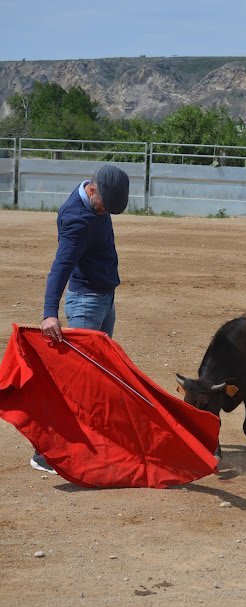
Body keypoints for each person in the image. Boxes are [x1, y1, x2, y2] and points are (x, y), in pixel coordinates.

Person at [30, 164, 130, 474]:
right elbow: (60, 266)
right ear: (92, 191)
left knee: (96, 376)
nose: (106, 213)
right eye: (105, 207)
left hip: (103, 298)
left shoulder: (99, 205)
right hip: (86, 303)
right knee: (75, 380)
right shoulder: (77, 219)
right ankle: (44, 453)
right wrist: (49, 312)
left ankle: (88, 439)